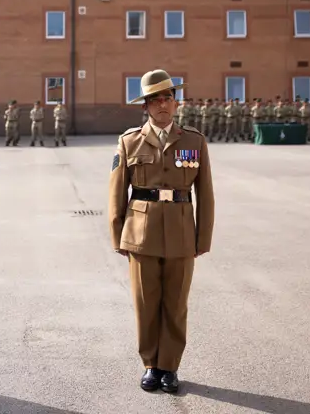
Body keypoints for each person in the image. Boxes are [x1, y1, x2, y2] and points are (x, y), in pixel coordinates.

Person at [107, 69, 215, 394]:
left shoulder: (194, 141)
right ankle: (151, 365)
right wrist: (118, 236)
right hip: (141, 233)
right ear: (146, 107)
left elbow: (205, 193)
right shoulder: (129, 141)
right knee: (145, 302)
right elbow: (116, 192)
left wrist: (203, 238)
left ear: (176, 102)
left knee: (176, 303)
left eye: (167, 97)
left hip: (182, 234)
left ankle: (170, 366)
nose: (162, 105)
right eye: (155, 99)